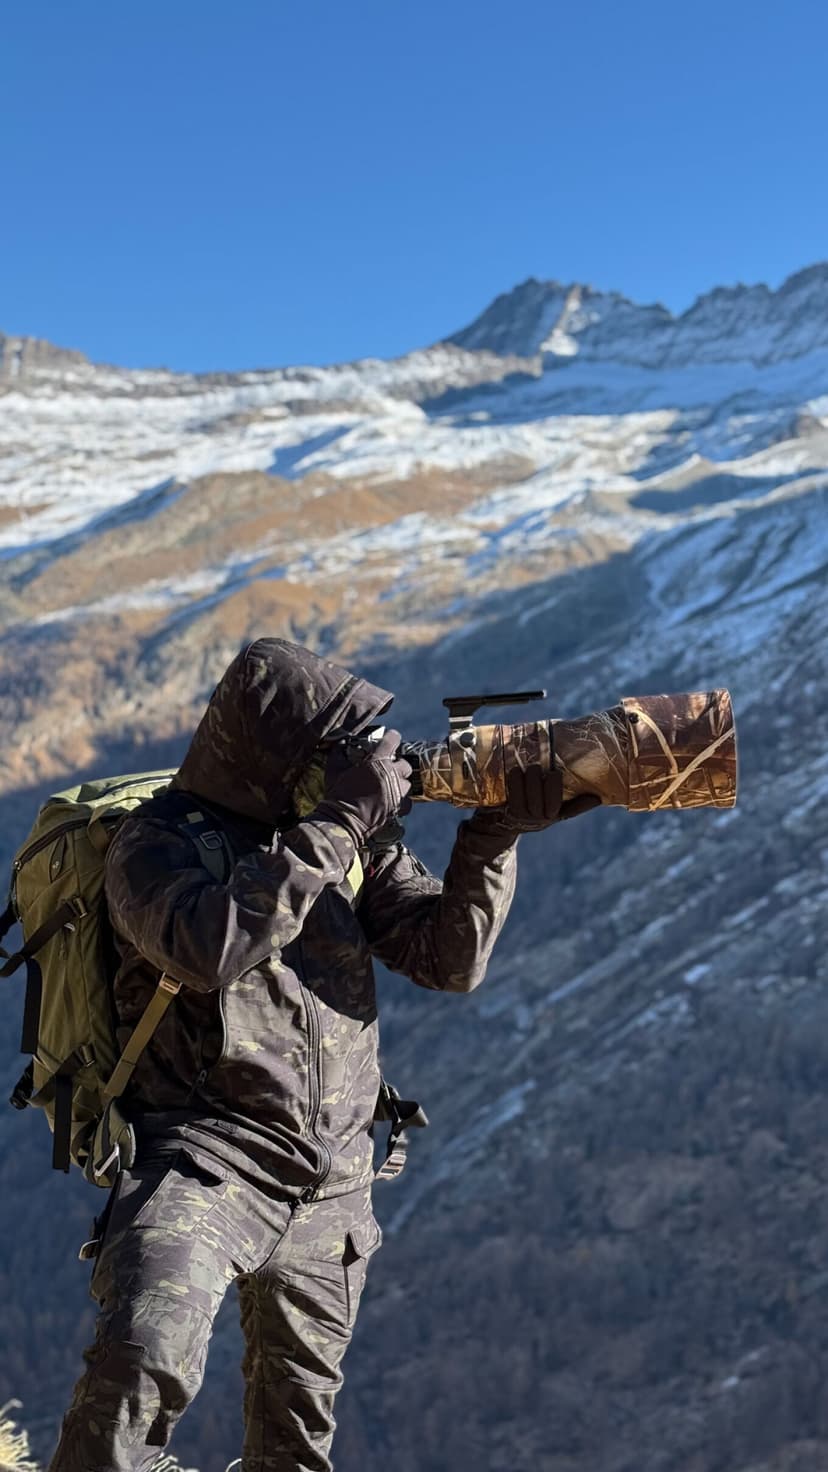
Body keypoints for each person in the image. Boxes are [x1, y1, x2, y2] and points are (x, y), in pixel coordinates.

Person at [47, 636, 597, 1472]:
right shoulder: (154, 844)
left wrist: (495, 833)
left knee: (296, 1446)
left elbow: (448, 960)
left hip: (332, 1180)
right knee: (138, 1373)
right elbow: (208, 945)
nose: (354, 767)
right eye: (334, 751)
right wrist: (339, 819)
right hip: (205, 1161)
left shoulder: (349, 849)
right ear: (271, 752)